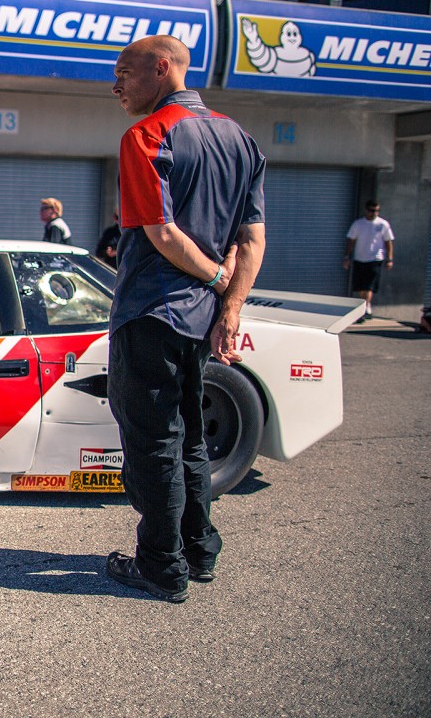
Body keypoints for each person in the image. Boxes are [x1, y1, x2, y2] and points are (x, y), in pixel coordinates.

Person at [105, 35, 266, 603]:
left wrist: (223, 286)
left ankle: (160, 567)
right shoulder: (240, 138)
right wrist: (230, 307)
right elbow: (251, 238)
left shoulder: (145, 136)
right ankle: (200, 550)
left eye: (125, 71)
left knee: (153, 443)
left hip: (151, 310)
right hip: (200, 320)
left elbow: (163, 233)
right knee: (190, 439)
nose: (116, 84)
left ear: (163, 68)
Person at [343, 200, 394, 322]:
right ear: (367, 210)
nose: (374, 213)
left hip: (375, 259)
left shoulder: (383, 224)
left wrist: (389, 259)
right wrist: (347, 257)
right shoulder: (358, 224)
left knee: (369, 286)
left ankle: (364, 309)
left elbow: (388, 242)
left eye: (377, 210)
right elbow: (351, 241)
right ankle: (365, 306)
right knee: (361, 287)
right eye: (372, 210)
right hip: (360, 258)